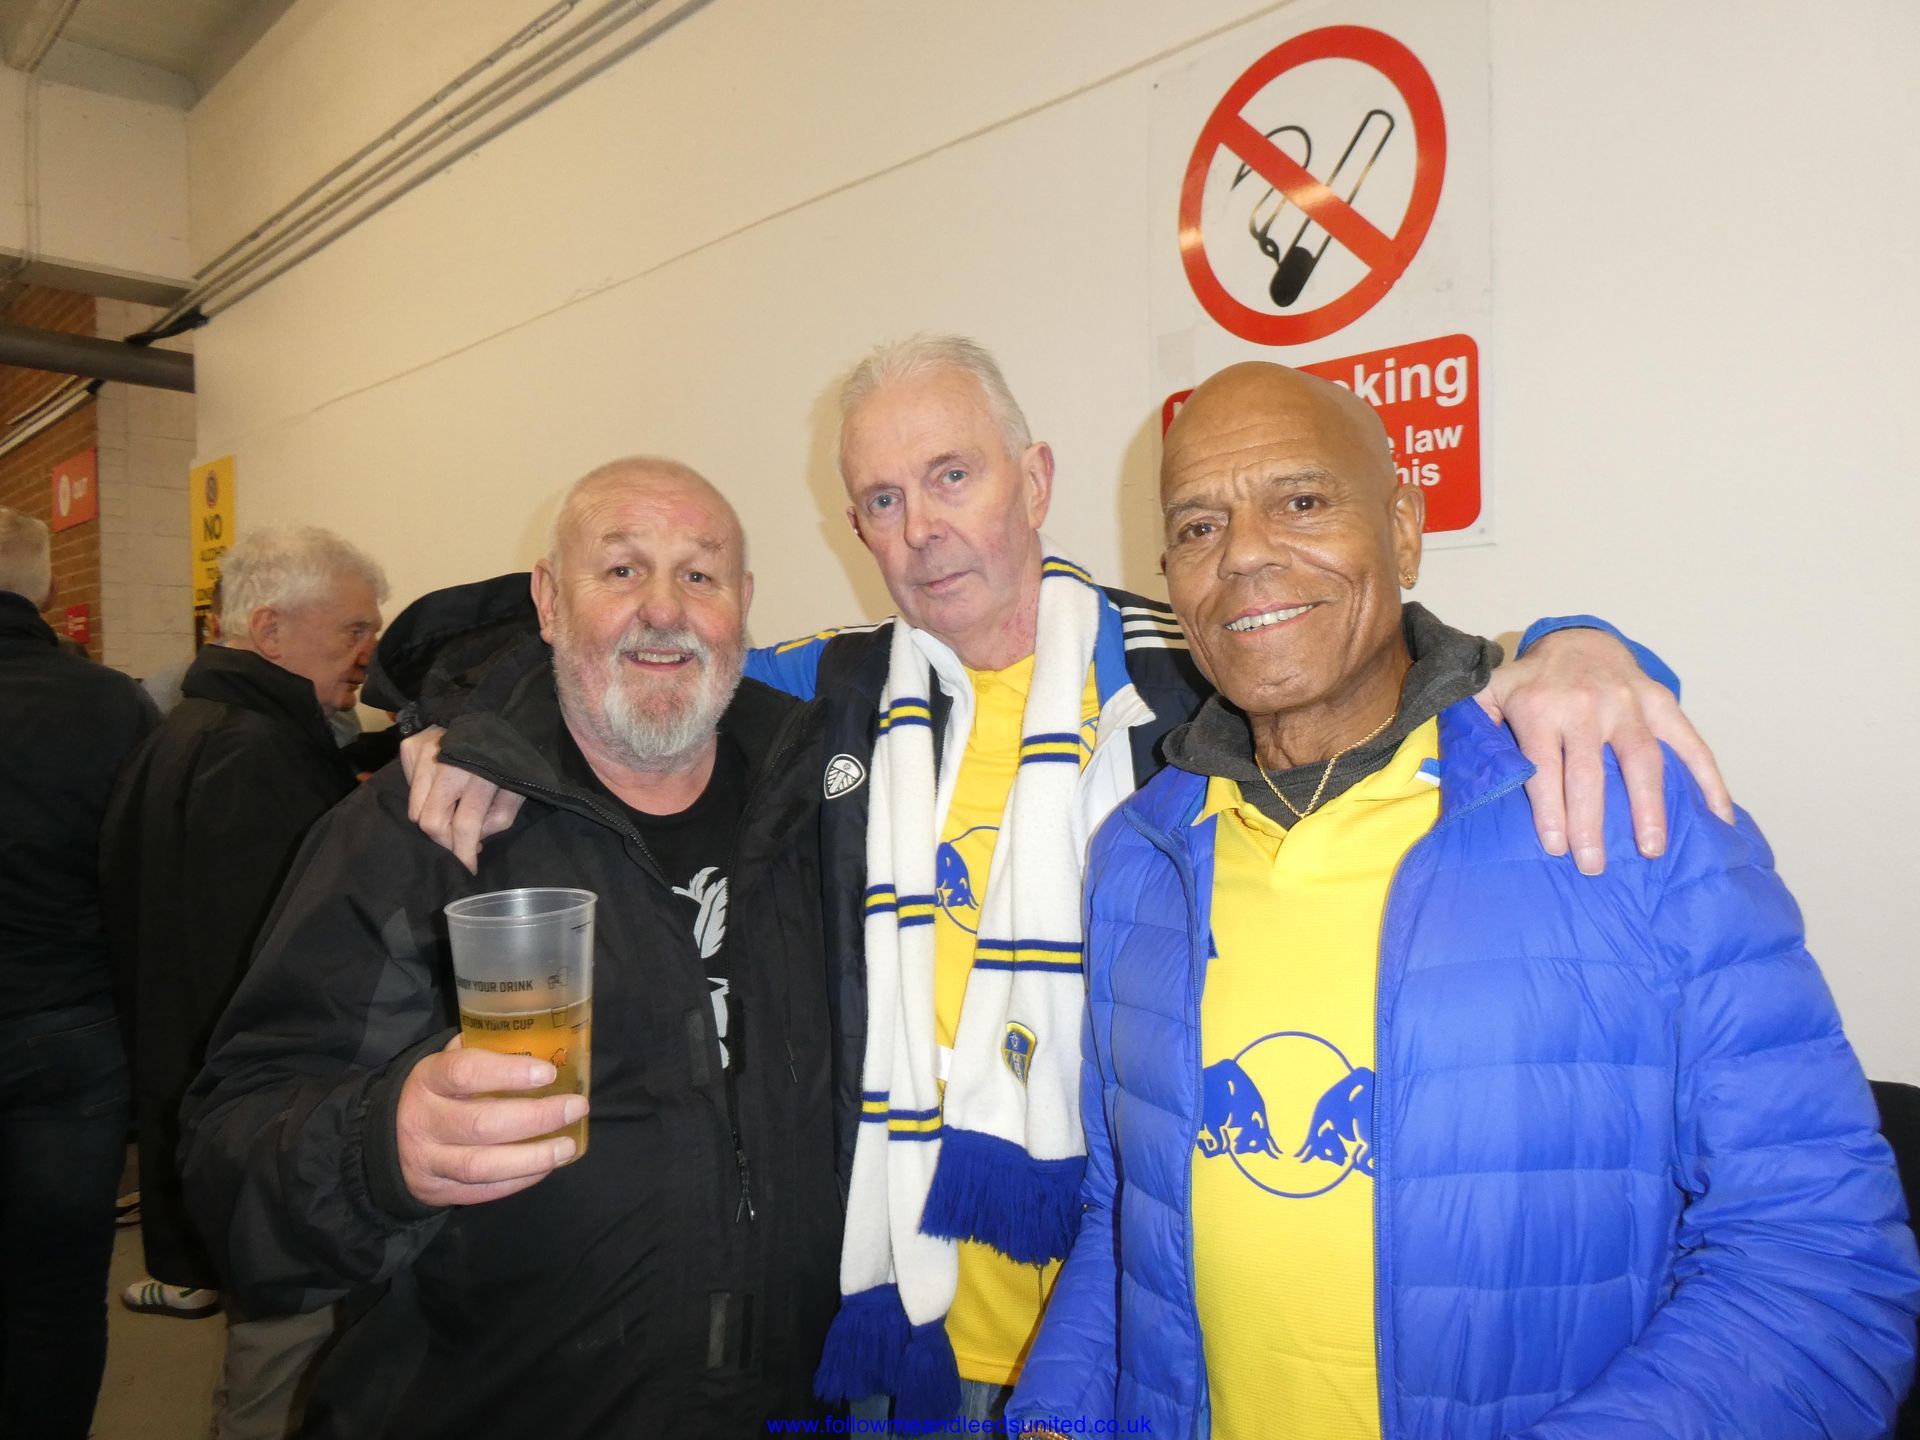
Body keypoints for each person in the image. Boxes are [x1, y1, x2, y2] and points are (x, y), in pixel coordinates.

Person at [395, 336, 1731, 1421]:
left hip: (1125, 1318)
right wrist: (486, 727)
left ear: (1034, 480)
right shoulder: (829, 693)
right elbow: (640, 649)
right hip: (900, 1320)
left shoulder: (1184, 669)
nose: (922, 530)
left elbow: (1434, 665)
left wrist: (1586, 644)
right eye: (882, 500)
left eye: (952, 475)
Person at [1006, 362, 1920, 1438]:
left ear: (1403, 531)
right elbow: (1129, 1215)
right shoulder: (1138, 858)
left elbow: (1821, 1269)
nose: (1244, 552)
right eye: (1199, 526)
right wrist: (1058, 1412)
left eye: (1302, 500)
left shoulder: (1621, 801)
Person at [180, 461, 842, 1438]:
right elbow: (228, 1156)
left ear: (742, 605)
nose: (665, 609)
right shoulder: (422, 830)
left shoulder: (826, 810)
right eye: (621, 570)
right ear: (549, 600)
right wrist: (377, 1147)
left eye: (699, 575)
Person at [101, 524, 386, 1438]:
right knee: (274, 1375)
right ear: (269, 630)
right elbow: (292, 979)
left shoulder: (191, 731)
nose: (367, 654)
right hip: (270, 1138)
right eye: (353, 630)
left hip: (202, 1112)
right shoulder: (257, 759)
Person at [0, 506, 156, 1439]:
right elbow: (145, 877)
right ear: (49, 588)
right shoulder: (110, 704)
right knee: (57, 1291)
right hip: (72, 1034)